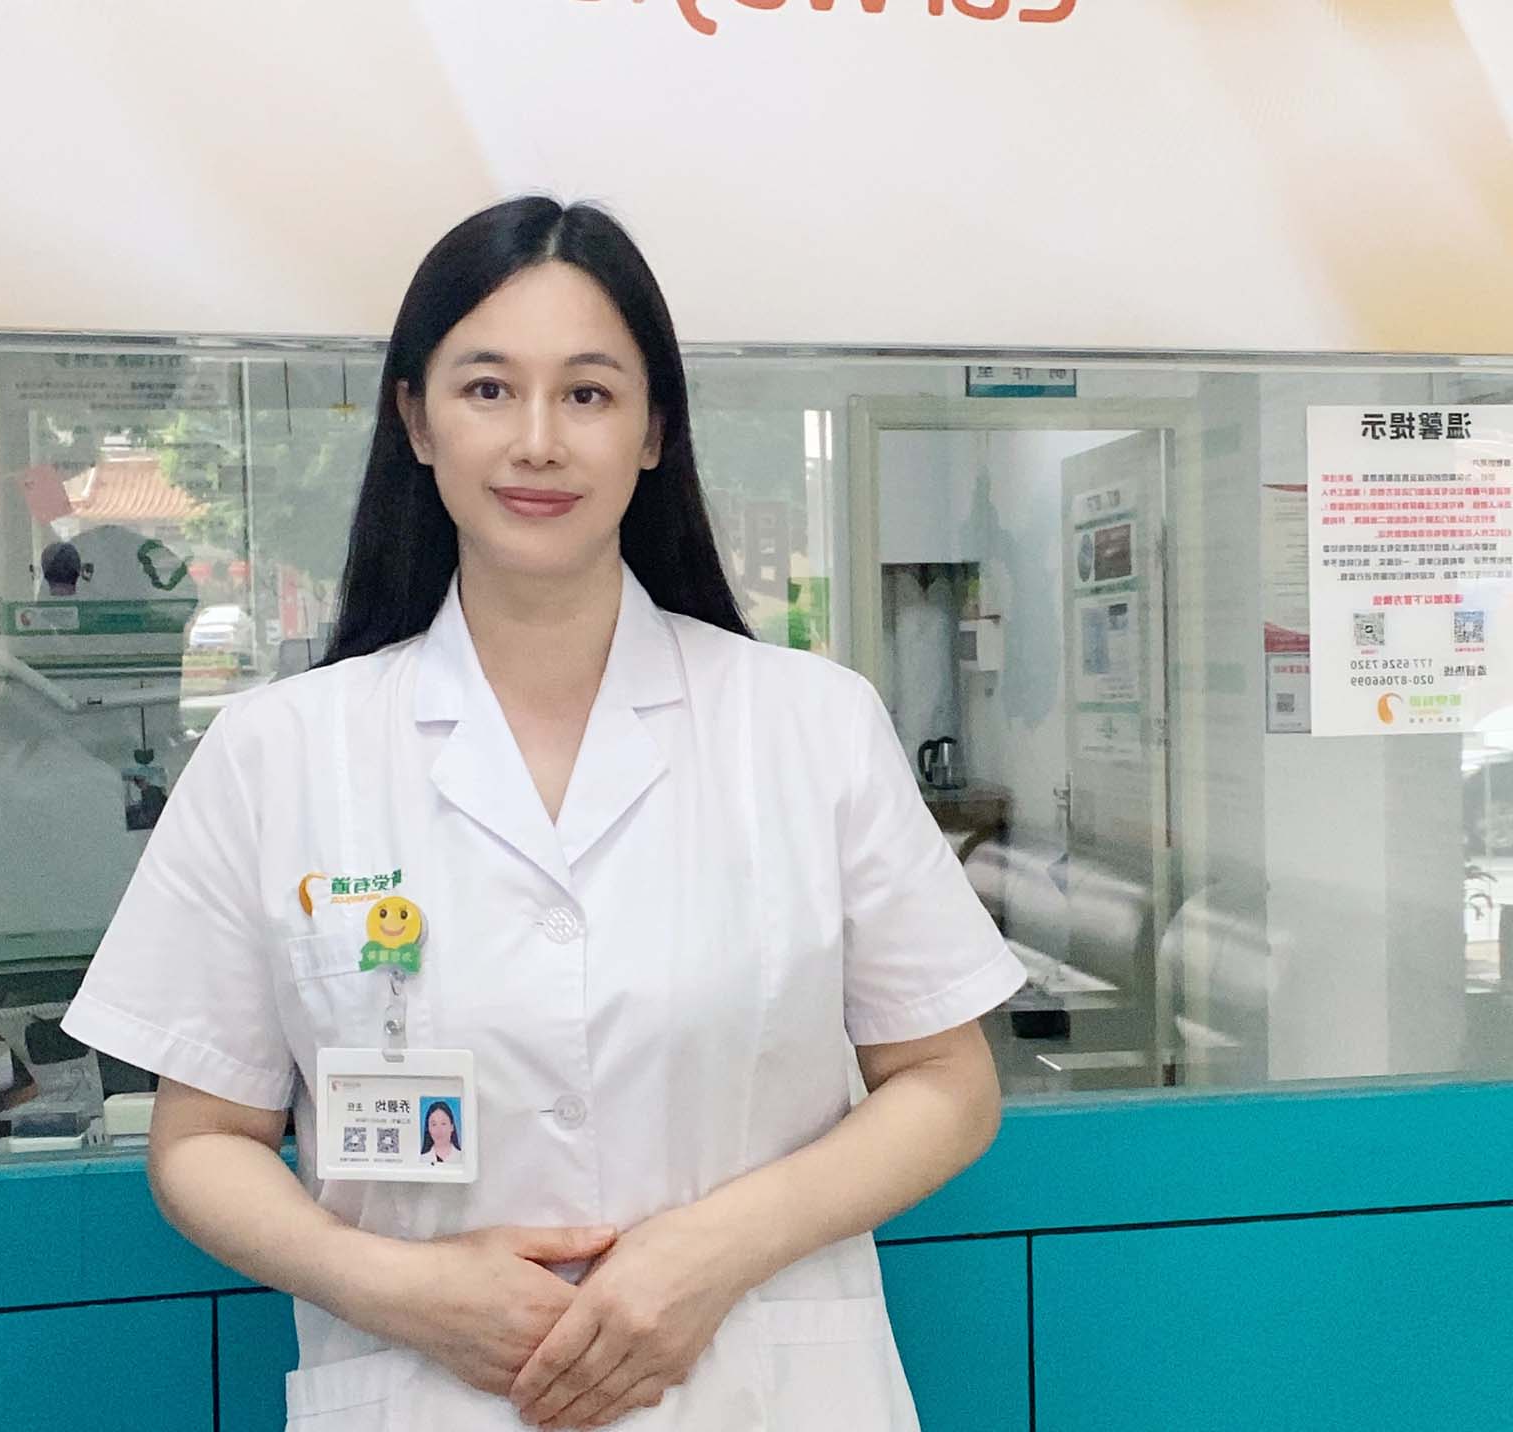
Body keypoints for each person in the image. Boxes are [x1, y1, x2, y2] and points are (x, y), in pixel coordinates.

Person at [61, 196, 1025, 1431]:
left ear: (653, 430)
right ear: (416, 421)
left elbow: (947, 1081)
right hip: (430, 1394)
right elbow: (200, 1141)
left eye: (587, 393)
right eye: (486, 388)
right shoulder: (279, 754)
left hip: (764, 1389)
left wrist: (711, 1253)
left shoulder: (810, 724)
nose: (537, 440)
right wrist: (404, 1290)